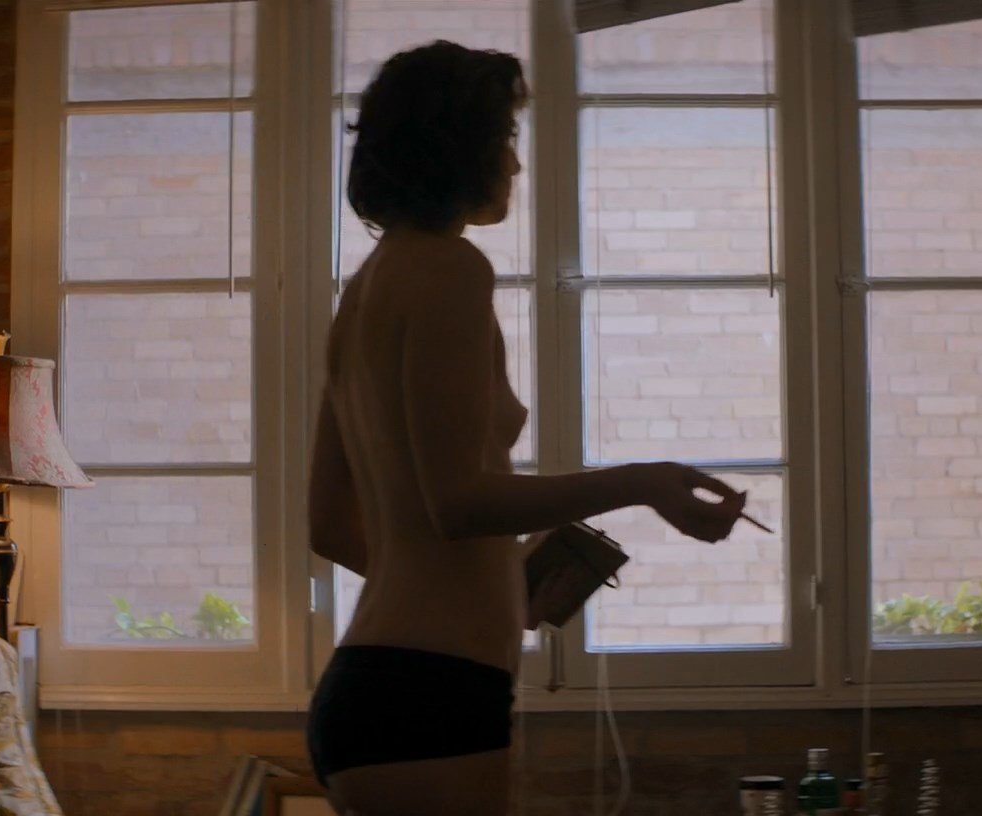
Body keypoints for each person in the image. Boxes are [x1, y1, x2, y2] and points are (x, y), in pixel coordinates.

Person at [304, 41, 749, 816]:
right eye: (504, 137)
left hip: (379, 683)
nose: (514, 163)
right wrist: (643, 482)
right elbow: (457, 503)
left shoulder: (366, 291)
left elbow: (330, 524)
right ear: (455, 146)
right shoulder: (451, 271)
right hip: (429, 692)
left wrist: (497, 589)